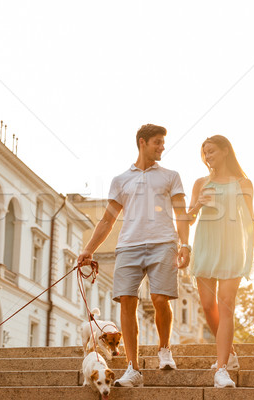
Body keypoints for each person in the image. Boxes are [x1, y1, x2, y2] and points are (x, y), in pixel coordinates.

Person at [77, 124, 191, 388]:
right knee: (127, 301)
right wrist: (89, 249)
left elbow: (182, 213)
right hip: (128, 246)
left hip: (164, 242)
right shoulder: (121, 180)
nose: (163, 147)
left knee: (160, 299)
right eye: (158, 142)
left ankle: (164, 349)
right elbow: (107, 219)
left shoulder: (171, 176)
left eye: (163, 142)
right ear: (143, 142)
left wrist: (185, 245)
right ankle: (133, 368)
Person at [187, 135, 254, 388]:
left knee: (227, 303)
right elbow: (187, 219)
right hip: (206, 246)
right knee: (209, 305)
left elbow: (252, 218)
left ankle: (221, 369)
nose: (208, 157)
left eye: (211, 151)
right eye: (205, 153)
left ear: (225, 151)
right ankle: (229, 353)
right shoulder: (201, 182)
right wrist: (197, 205)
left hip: (233, 247)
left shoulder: (244, 183)